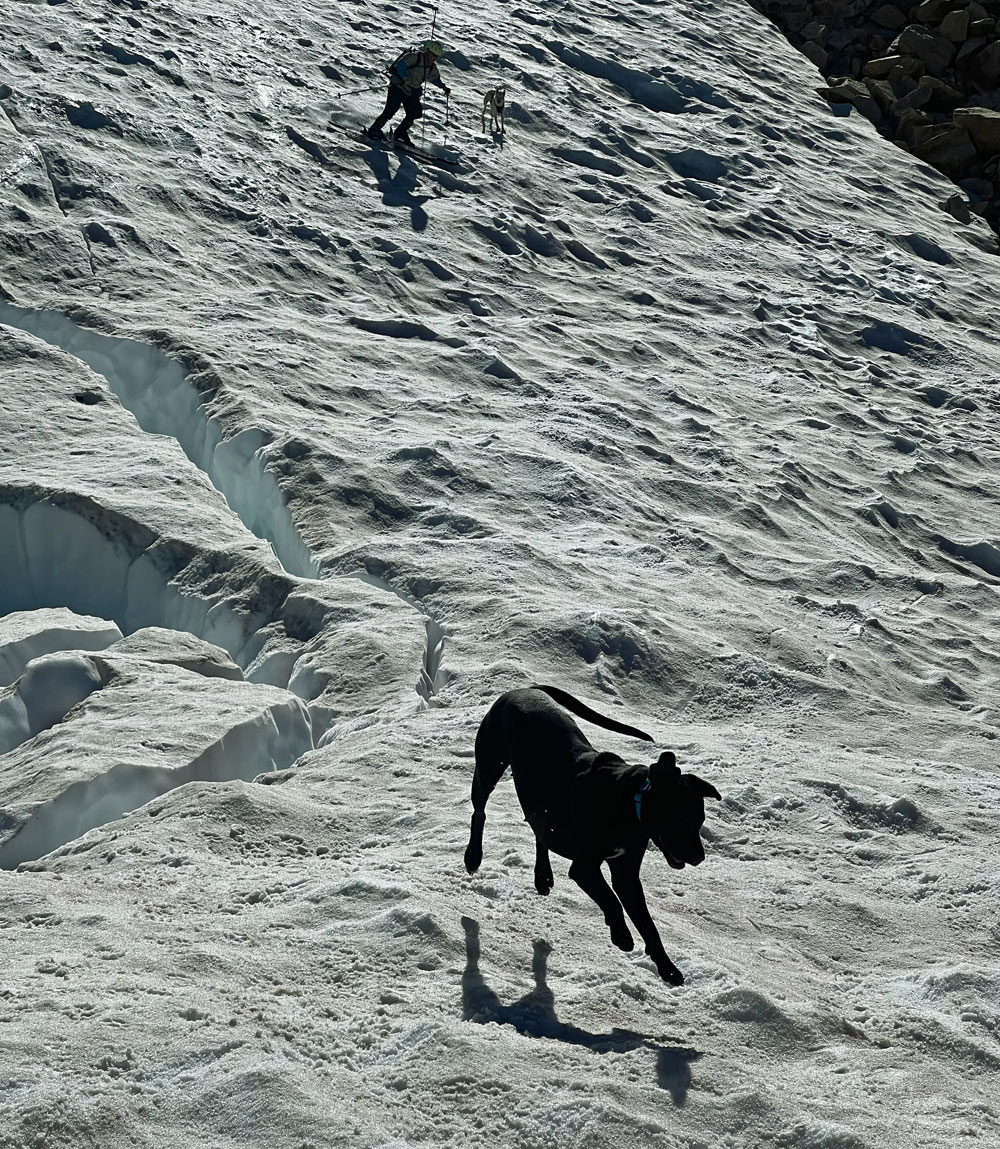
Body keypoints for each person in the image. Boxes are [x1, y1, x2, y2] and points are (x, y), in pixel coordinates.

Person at [364, 40, 450, 146]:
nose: (434, 58)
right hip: (398, 88)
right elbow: (401, 65)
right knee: (390, 110)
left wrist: (443, 87)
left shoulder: (431, 67)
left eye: (436, 56)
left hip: (411, 92)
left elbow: (434, 78)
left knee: (415, 112)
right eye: (433, 55)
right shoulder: (414, 57)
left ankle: (400, 132)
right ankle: (374, 130)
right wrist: (405, 77)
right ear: (427, 52)